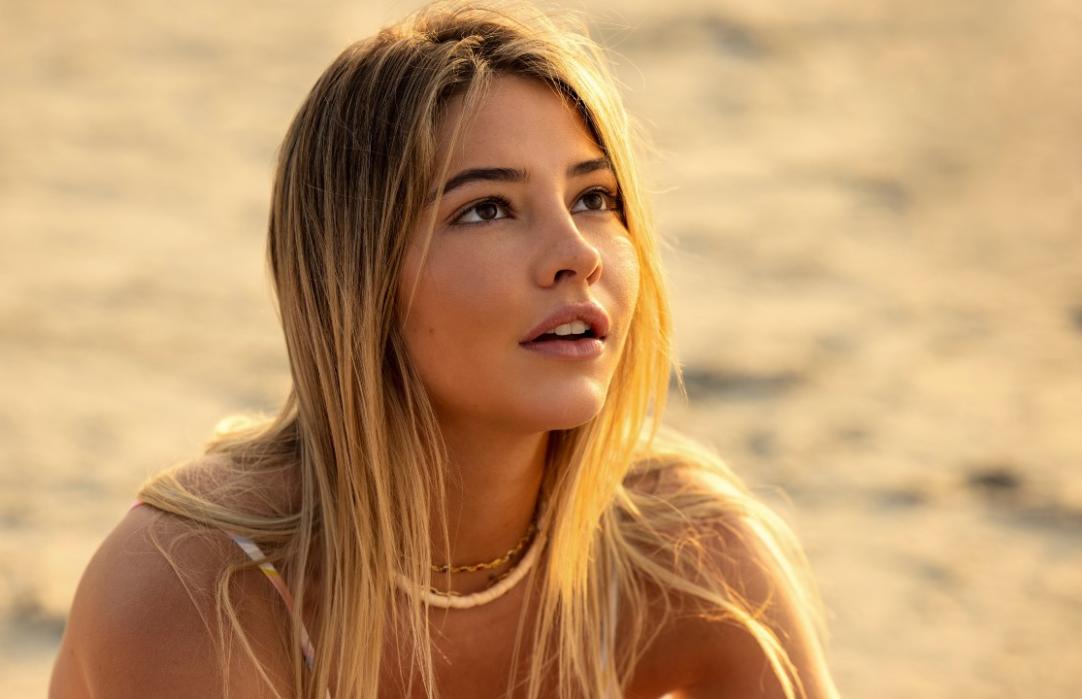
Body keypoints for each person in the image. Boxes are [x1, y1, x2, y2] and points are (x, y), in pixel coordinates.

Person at [50, 2, 840, 697]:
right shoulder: (196, 584)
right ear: (358, 277)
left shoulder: (684, 553)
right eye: (488, 208)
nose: (577, 252)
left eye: (594, 198)